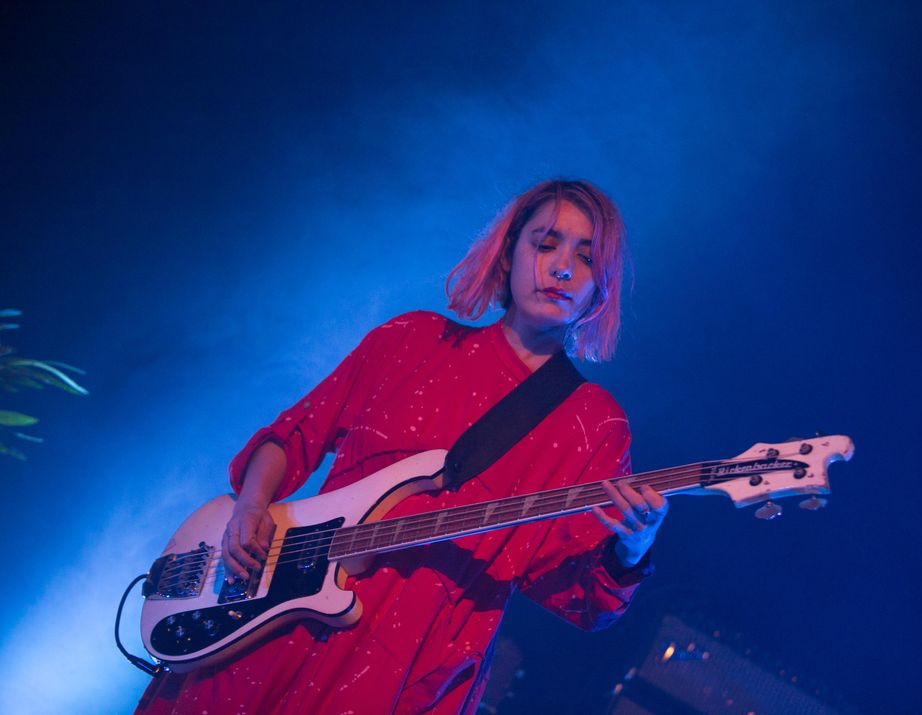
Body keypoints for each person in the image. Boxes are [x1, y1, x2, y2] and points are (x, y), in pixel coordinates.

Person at [135, 179, 668, 714]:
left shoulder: (593, 423)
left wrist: (632, 548)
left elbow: (577, 594)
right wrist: (250, 508)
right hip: (268, 627)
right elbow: (295, 432)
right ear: (508, 255)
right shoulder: (411, 339)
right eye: (546, 243)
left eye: (587, 257)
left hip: (404, 672)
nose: (561, 268)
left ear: (602, 286)